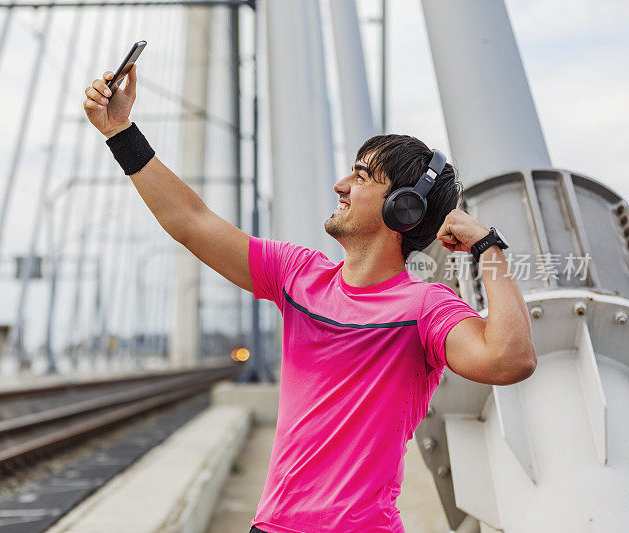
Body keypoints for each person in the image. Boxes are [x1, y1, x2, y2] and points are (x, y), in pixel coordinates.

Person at [84, 64, 536, 533]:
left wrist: (490, 248)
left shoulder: (426, 309)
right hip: (271, 526)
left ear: (404, 206)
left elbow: (510, 360)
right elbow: (192, 222)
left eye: (361, 178)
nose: (341, 186)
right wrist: (121, 132)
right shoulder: (298, 275)